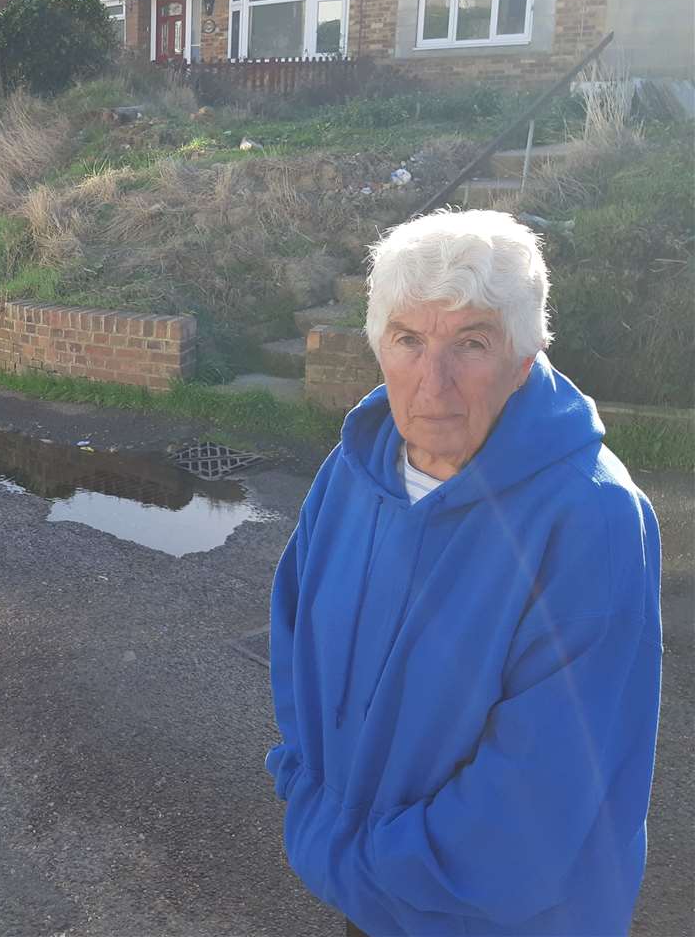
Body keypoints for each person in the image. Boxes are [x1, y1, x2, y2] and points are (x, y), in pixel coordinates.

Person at [267, 209, 662, 935]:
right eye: (409, 341)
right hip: (371, 892)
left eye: (470, 343)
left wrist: (357, 860)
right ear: (378, 347)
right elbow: (298, 642)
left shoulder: (592, 518)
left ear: (524, 357)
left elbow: (537, 798)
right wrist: (310, 796)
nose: (433, 384)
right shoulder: (355, 468)